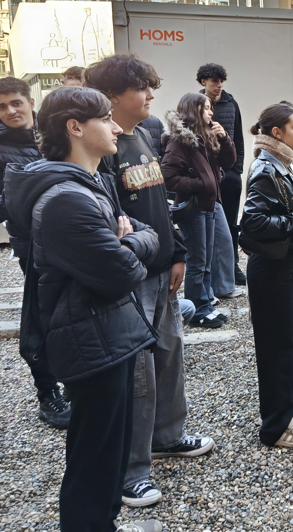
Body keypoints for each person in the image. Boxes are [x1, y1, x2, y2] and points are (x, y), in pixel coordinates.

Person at [4, 87, 162, 532]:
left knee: (111, 449)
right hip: (89, 336)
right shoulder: (66, 199)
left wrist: (128, 240)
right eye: (105, 118)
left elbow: (149, 231)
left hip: (106, 330)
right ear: (75, 127)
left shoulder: (89, 184)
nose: (115, 126)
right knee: (95, 456)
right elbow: (124, 272)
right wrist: (131, 243)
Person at [85, 55, 215, 510]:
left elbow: (160, 203)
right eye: (141, 88)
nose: (151, 95)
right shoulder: (103, 149)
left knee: (169, 354)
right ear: (113, 96)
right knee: (138, 373)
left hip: (161, 271)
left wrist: (177, 252)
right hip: (134, 276)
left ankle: (167, 436)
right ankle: (132, 470)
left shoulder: (143, 134)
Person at [0, 77, 70, 429]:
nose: (10, 111)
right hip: (33, 246)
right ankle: (48, 392)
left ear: (30, 102)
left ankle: (78, 382)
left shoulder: (56, 135)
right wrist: (25, 190)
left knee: (76, 312)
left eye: (16, 102)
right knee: (43, 318)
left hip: (74, 236)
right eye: (2, 106)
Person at [239, 103, 293, 448]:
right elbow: (252, 223)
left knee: (285, 344)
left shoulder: (281, 163)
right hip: (271, 269)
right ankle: (275, 426)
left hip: (282, 266)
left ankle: (284, 408)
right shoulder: (266, 167)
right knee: (276, 348)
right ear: (277, 133)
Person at [162, 93, 236, 328]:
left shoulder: (206, 136)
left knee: (206, 259)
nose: (211, 112)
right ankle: (198, 309)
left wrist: (225, 138)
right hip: (193, 207)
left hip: (209, 205)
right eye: (206, 108)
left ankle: (206, 304)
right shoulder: (180, 141)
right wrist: (202, 184)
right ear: (194, 111)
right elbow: (168, 177)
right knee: (197, 260)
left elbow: (229, 161)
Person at [198, 63, 248, 288]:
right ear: (203, 82)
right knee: (209, 224)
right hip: (207, 175)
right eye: (214, 81)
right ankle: (210, 272)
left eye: (221, 81)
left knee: (231, 223)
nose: (219, 85)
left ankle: (233, 266)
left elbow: (239, 139)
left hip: (230, 174)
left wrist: (237, 170)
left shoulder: (231, 103)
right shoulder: (196, 104)